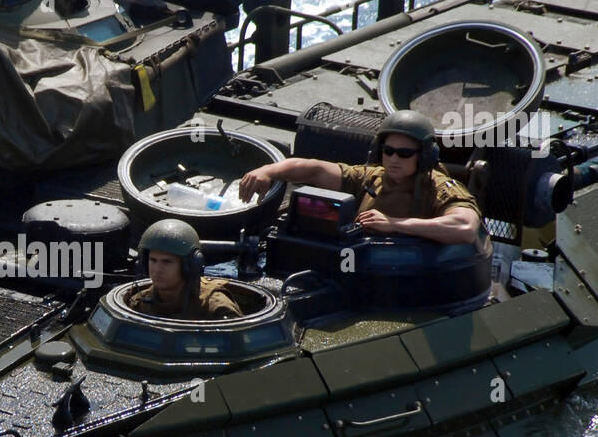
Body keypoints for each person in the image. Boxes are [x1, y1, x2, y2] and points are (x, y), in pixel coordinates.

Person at [237, 110, 483, 245]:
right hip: (362, 262)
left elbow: (465, 227)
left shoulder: (440, 187)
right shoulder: (370, 177)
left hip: (412, 275)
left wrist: (394, 224)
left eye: (405, 153)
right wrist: (268, 171)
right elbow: (314, 169)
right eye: (388, 151)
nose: (394, 159)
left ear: (425, 156)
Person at [125, 219, 243, 320]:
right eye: (153, 260)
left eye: (167, 262)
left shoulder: (216, 307)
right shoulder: (139, 304)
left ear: (189, 266)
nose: (157, 269)